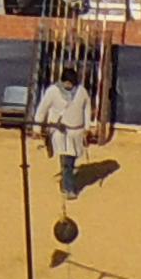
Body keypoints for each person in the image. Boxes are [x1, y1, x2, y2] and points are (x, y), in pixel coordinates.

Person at [32, 59, 94, 191]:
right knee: (67, 160)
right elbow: (42, 108)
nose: (69, 86)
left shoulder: (81, 92)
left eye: (71, 83)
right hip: (60, 132)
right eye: (67, 82)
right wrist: (37, 128)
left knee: (71, 159)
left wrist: (87, 128)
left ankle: (67, 181)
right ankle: (68, 188)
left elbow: (87, 108)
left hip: (76, 132)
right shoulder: (53, 91)